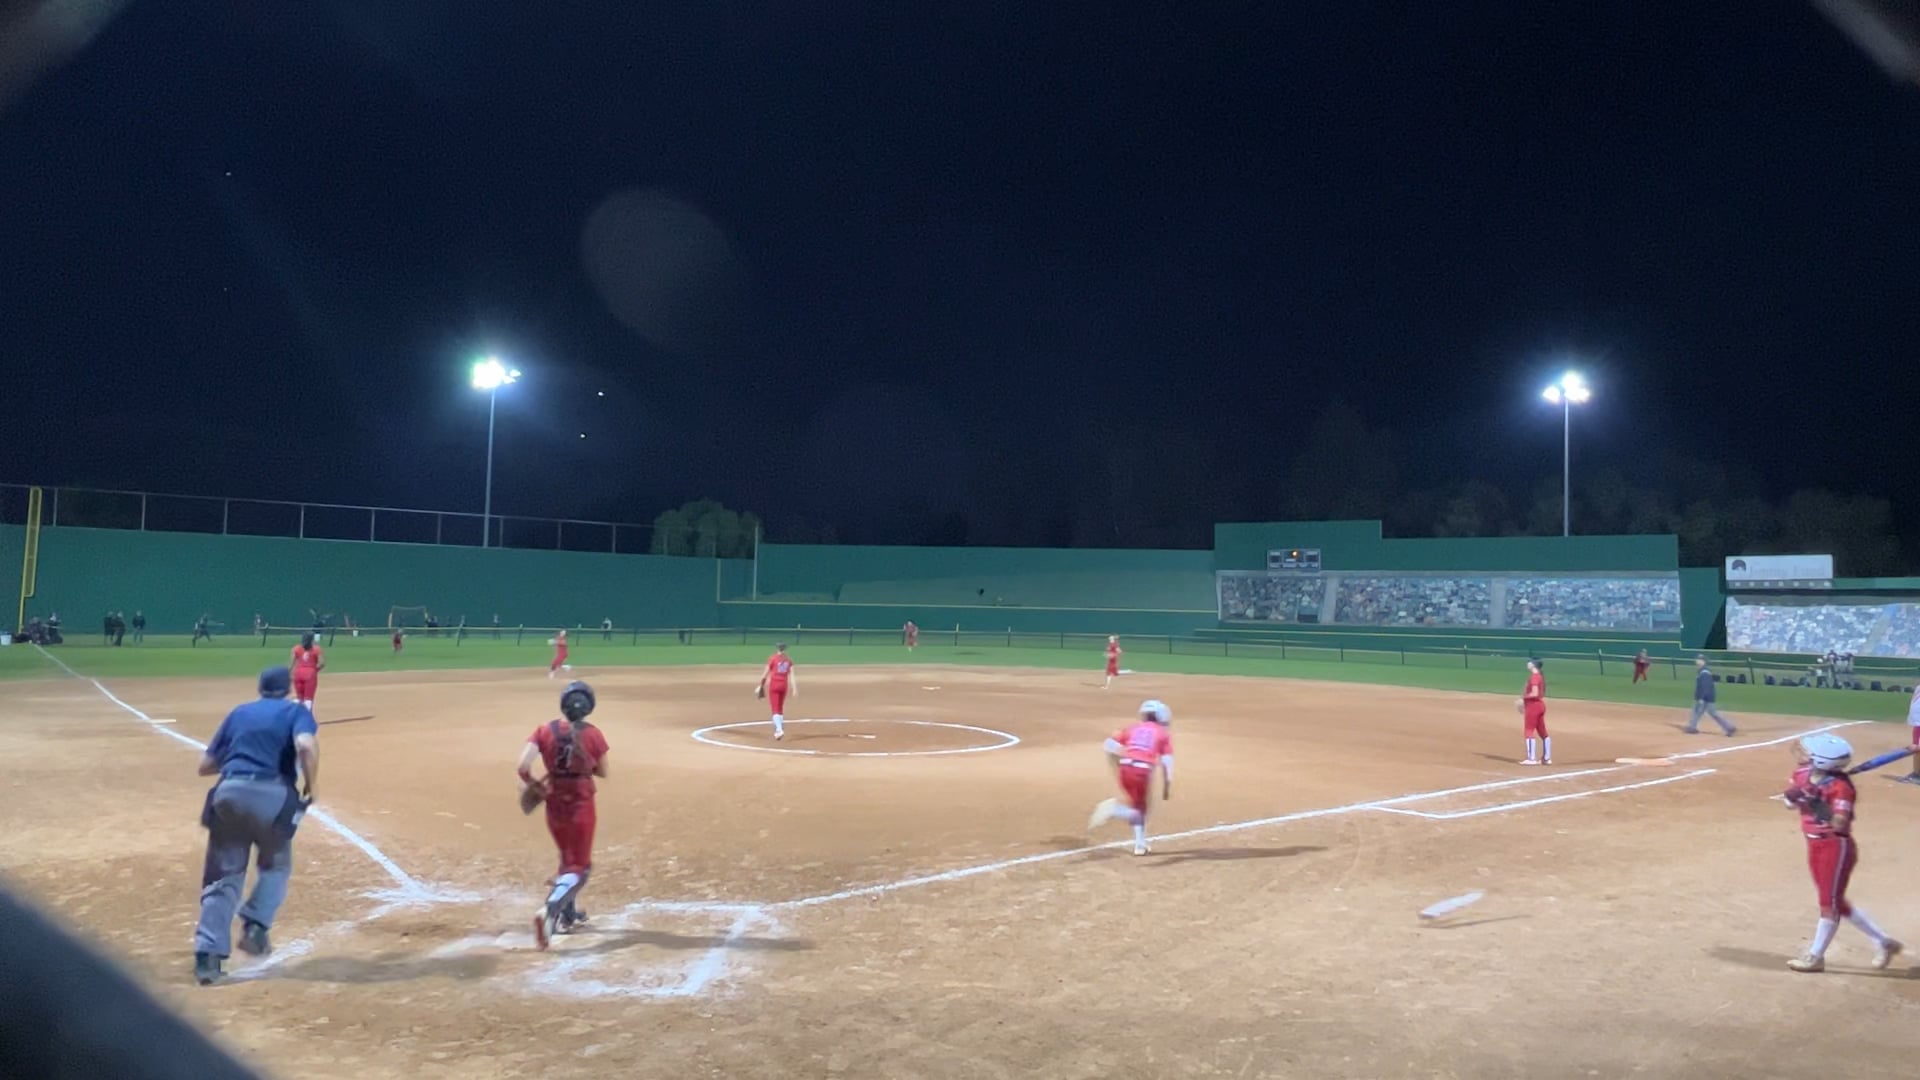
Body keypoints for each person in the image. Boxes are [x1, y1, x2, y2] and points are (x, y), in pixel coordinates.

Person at [191, 666, 319, 986]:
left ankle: (207, 959)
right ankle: (256, 925)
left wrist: (241, 758)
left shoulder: (239, 713)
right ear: (288, 689)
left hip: (229, 794)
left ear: (260, 688)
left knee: (222, 877)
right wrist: (311, 785)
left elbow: (205, 766)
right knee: (276, 866)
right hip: (272, 795)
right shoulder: (295, 712)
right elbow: (305, 745)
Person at [1780, 734, 1902, 973]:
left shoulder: (1842, 788)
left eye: (1810, 752)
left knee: (1829, 904)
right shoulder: (1803, 773)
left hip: (1835, 848)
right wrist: (1795, 795)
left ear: (1822, 760)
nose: (1804, 753)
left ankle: (1815, 957)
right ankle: (1884, 942)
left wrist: (1816, 802)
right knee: (1836, 901)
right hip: (1814, 844)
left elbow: (1839, 823)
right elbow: (1790, 803)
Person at [516, 681, 609, 950]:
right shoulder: (593, 734)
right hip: (581, 802)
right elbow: (602, 771)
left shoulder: (545, 730)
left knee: (567, 858)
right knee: (580, 867)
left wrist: (535, 784)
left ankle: (567, 914)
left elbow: (522, 767)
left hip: (554, 801)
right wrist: (583, 765)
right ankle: (551, 909)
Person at [1087, 699, 1174, 856]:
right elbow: (1167, 762)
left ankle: (1140, 845)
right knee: (1140, 811)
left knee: (1138, 806)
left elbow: (1108, 744)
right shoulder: (1162, 734)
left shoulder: (1134, 729)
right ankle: (1114, 810)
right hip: (1142, 771)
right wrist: (1167, 785)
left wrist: (1124, 755)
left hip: (1125, 768)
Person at [1683, 655, 1737, 736]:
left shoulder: (1704, 672)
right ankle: (1729, 727)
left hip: (1705, 697)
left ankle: (1692, 727)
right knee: (1710, 713)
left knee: (1697, 711)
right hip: (1708, 696)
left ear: (1703, 662)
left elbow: (1705, 686)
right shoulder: (1703, 671)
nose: (1697, 661)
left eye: (1699, 659)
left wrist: (1701, 698)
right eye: (1697, 659)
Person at [757, 643, 796, 740]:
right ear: (785, 649)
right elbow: (792, 675)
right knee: (780, 708)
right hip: (784, 686)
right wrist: (794, 688)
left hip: (774, 685)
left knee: (775, 709)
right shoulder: (789, 660)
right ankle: (778, 730)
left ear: (777, 648)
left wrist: (761, 685)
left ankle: (779, 730)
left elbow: (765, 674)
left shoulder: (773, 658)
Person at [1518, 658, 1551, 765]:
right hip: (1540, 706)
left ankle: (1531, 758)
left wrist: (1523, 698)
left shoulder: (1534, 677)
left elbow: (1535, 693)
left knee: (1528, 731)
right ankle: (1546, 758)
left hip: (1533, 707)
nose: (1527, 663)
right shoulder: (1539, 676)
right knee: (1543, 732)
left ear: (1533, 665)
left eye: (1529, 662)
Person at [290, 632, 325, 712]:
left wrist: (290, 674)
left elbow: (291, 665)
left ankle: (297, 714)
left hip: (298, 674)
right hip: (310, 674)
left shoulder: (296, 648)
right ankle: (307, 716)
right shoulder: (316, 649)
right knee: (308, 699)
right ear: (312, 639)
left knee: (300, 698)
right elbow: (322, 663)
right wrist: (315, 670)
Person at [1903, 683, 1920, 786]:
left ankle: (1917, 774)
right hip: (1917, 722)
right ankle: (1917, 773)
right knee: (1916, 748)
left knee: (1917, 748)